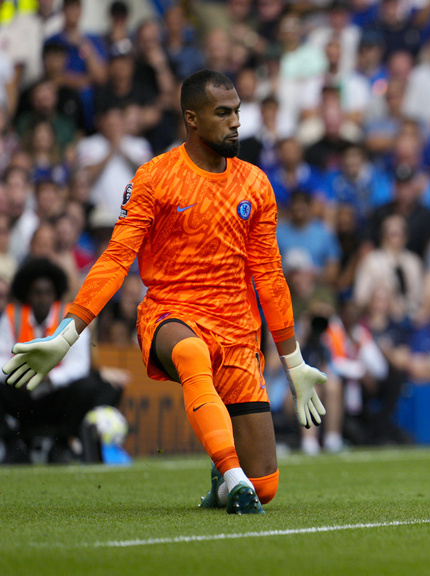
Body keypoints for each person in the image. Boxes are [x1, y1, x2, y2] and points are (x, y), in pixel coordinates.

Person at [3, 70, 327, 514]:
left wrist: (293, 360)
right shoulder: (155, 177)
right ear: (192, 119)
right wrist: (66, 335)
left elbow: (269, 275)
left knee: (267, 486)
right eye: (223, 113)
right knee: (192, 355)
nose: (236, 122)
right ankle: (232, 478)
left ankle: (226, 481)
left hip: (237, 331)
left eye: (237, 111)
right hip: (170, 315)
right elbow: (117, 258)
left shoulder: (255, 183)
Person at [0, 258, 123, 464]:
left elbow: (79, 365)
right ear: (28, 295)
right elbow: (1, 357)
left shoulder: (69, 316)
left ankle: (64, 443)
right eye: (36, 293)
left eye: (47, 293)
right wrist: (21, 374)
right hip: (21, 393)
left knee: (89, 386)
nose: (42, 299)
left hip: (57, 394)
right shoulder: (12, 317)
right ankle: (13, 444)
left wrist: (50, 377)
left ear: (55, 294)